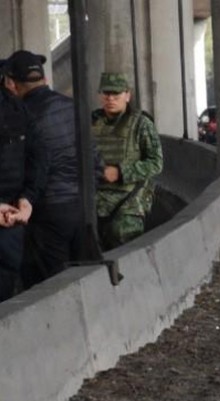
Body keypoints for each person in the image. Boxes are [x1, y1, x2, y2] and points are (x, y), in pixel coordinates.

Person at [2, 50, 84, 290]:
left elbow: (28, 163)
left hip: (43, 212)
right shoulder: (73, 107)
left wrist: (26, 199)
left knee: (46, 285)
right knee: (78, 279)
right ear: (45, 80)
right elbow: (94, 160)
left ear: (11, 84)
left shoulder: (19, 115)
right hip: (80, 206)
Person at [91, 72, 163, 250]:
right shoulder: (91, 122)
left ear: (127, 95)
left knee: (123, 242)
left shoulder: (141, 124)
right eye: (107, 94)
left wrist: (121, 172)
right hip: (95, 200)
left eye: (116, 94)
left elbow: (156, 163)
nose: (111, 99)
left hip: (129, 201)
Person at [0, 73, 44, 301]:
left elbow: (36, 157)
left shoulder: (17, 110)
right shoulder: (18, 109)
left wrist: (27, 198)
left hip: (11, 215)